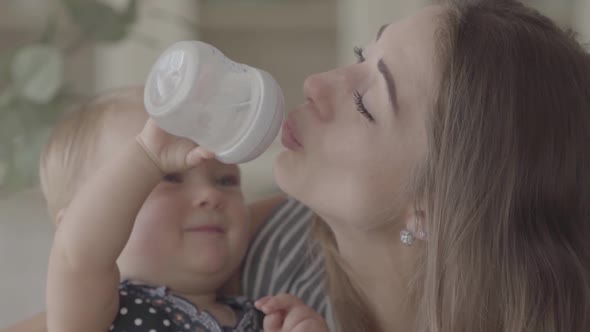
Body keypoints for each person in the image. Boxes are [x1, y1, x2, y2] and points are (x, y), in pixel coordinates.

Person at [5, 0, 590, 331]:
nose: (319, 82)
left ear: (436, 206)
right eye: (363, 56)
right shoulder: (267, 238)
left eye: (367, 100)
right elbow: (83, 275)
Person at [35, 87, 329, 332]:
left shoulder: (266, 317)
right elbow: (79, 255)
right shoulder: (91, 314)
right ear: (70, 222)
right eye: (168, 177)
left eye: (226, 180)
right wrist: (146, 156)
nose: (210, 195)